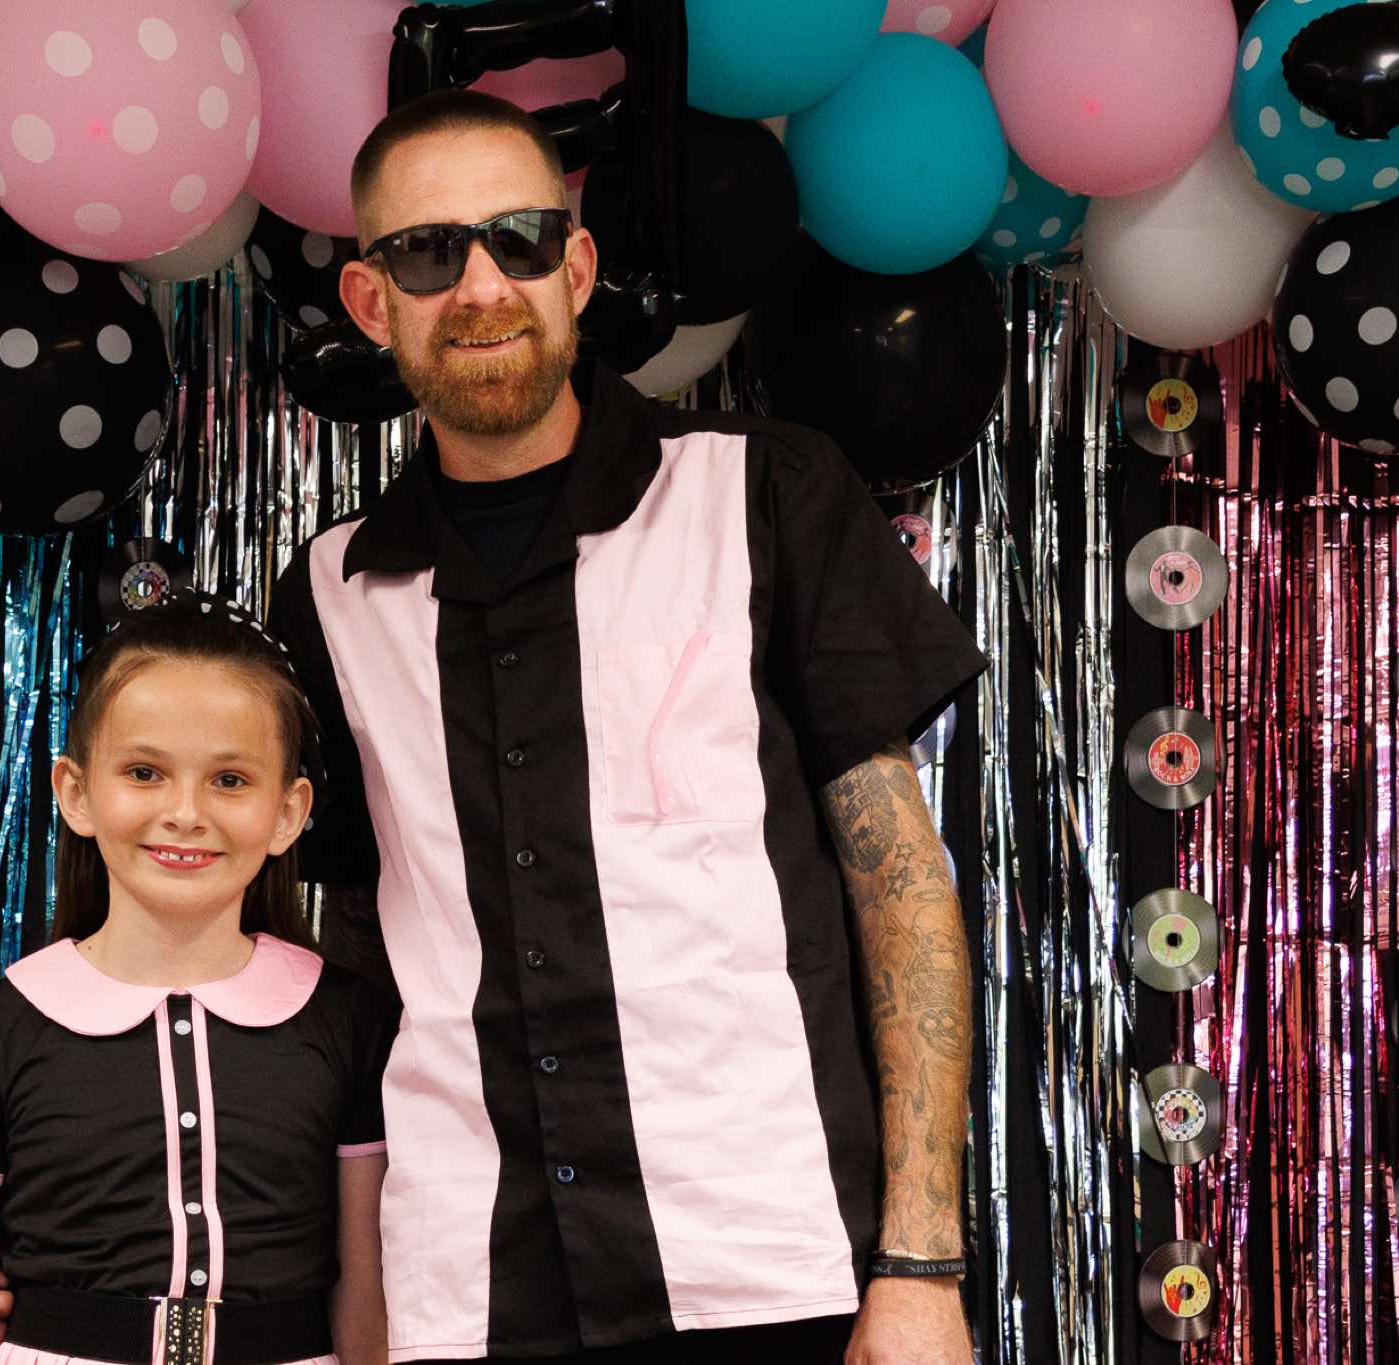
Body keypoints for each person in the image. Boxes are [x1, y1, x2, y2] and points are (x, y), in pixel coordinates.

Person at [264, 90, 989, 1364]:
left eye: (520, 239)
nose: (480, 285)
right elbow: (353, 959)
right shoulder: (330, 592)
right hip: (472, 1290)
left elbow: (899, 887)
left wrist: (920, 1262)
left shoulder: (764, 493)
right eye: (427, 253)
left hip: (765, 1266)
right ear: (371, 304)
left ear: (576, 267)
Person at [0, 593, 399, 1365]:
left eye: (229, 779)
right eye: (144, 771)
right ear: (76, 792)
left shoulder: (348, 1019)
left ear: (288, 811)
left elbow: (368, 1313)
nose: (185, 812)